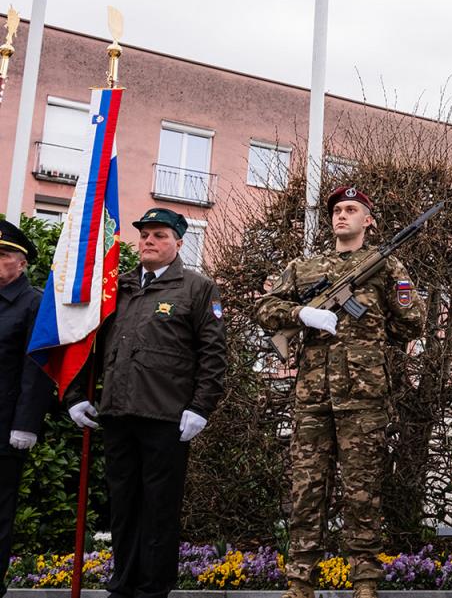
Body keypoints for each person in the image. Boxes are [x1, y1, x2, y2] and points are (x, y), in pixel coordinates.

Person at [256, 186, 425, 598]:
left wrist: (376, 318)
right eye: (337, 210)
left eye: (352, 210)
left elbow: (413, 323)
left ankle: (365, 579)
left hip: (364, 397)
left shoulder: (385, 266)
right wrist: (301, 312)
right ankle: (299, 579)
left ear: (368, 220)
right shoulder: (304, 267)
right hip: (312, 397)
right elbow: (265, 309)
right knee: (306, 489)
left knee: (362, 490)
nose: (341, 215)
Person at [66, 208, 226, 598]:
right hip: (118, 413)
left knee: (158, 508)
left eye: (159, 235)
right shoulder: (116, 288)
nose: (149, 242)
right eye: (144, 235)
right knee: (122, 506)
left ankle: (154, 588)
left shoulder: (196, 288)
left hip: (165, 417)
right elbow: (87, 345)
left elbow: (213, 354)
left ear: (178, 243)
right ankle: (123, 584)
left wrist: (201, 406)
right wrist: (75, 397)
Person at [0, 221, 53, 597]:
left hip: (3, 428)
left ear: (20, 263)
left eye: (1, 256)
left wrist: (25, 424)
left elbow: (36, 369)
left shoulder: (32, 302)